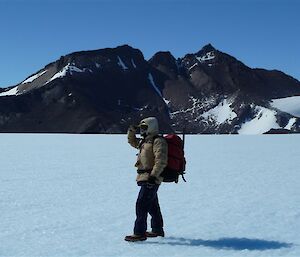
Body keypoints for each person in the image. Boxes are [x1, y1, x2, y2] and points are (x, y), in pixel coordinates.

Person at [124, 117, 168, 242]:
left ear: (151, 127)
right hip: (144, 177)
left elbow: (161, 160)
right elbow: (132, 142)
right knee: (152, 205)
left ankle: (139, 233)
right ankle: (157, 229)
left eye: (144, 128)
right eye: (141, 128)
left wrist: (153, 176)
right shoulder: (145, 141)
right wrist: (131, 130)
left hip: (151, 178)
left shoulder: (158, 141)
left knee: (141, 205)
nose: (142, 130)